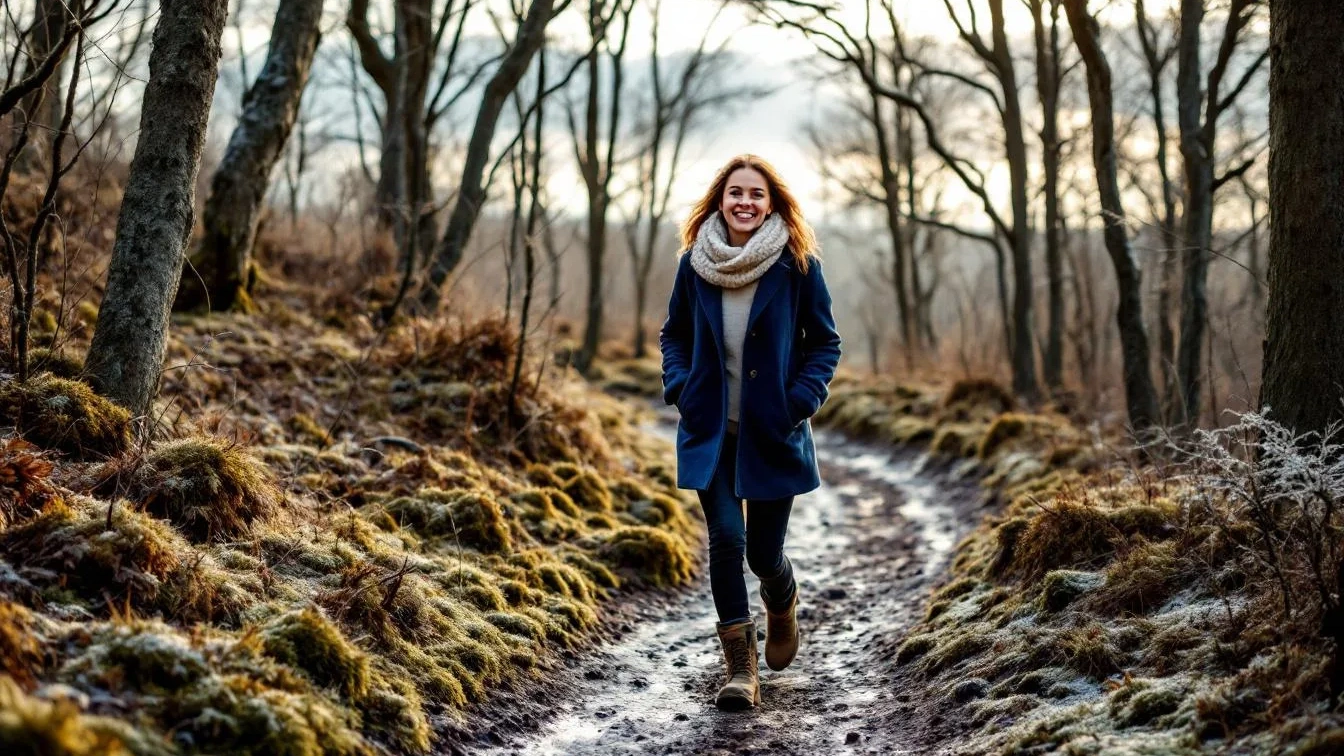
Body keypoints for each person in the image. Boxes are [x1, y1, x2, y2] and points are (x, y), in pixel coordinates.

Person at [659, 154, 842, 710]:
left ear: (771, 204)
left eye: (755, 194)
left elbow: (825, 343)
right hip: (712, 431)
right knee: (726, 540)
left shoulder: (797, 264)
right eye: (735, 192)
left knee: (763, 553)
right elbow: (675, 335)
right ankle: (742, 669)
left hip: (772, 432)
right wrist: (682, 386)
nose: (744, 202)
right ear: (720, 200)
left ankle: (781, 601)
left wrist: (799, 402)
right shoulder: (695, 263)